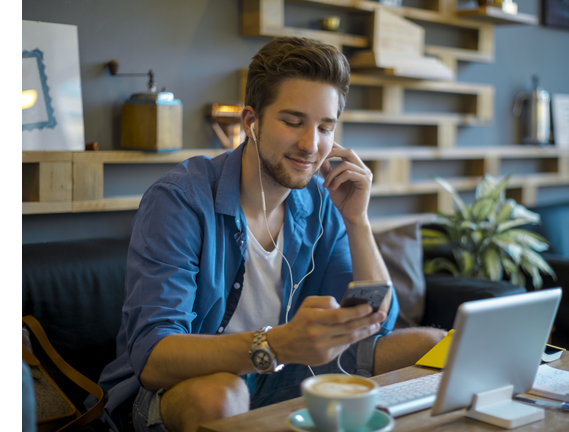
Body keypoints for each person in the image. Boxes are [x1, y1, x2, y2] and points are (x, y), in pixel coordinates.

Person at [92, 37, 446, 432]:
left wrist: (358, 221)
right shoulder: (179, 201)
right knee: (222, 395)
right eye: (293, 122)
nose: (311, 145)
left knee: (429, 347)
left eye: (325, 127)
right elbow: (153, 358)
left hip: (281, 372)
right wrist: (276, 343)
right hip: (180, 388)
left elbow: (376, 325)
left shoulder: (321, 200)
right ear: (251, 121)